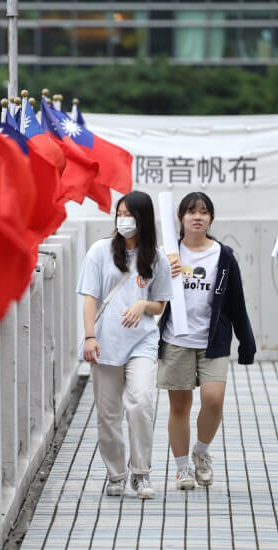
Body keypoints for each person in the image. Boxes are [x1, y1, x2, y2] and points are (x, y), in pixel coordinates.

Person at [77, 190, 172, 499]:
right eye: (120, 214)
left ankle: (141, 474)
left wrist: (142, 306)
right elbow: (90, 298)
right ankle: (116, 473)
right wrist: (90, 336)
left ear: (143, 219)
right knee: (108, 413)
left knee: (141, 402)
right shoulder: (99, 251)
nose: (123, 220)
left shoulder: (156, 259)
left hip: (142, 342)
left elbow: (159, 305)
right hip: (105, 343)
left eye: (129, 215)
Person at [158, 191, 256, 490]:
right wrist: (164, 273)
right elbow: (148, 293)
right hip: (176, 338)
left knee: (213, 399)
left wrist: (246, 343)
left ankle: (200, 452)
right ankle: (182, 468)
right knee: (180, 405)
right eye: (191, 212)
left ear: (211, 218)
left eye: (203, 212)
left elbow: (236, 302)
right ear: (180, 218)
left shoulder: (223, 256)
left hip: (213, 340)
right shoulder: (167, 253)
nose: (197, 217)